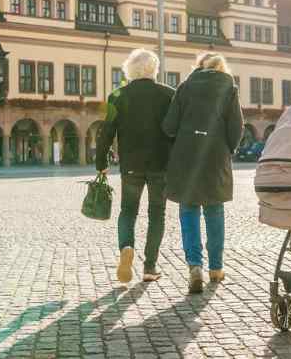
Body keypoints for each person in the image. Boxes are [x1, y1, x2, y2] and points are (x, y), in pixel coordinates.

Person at [163, 52, 243, 294]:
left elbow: (169, 125)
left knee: (188, 209)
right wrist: (226, 149)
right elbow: (237, 128)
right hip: (215, 155)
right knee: (214, 210)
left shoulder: (185, 86)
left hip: (186, 155)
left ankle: (194, 266)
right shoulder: (229, 87)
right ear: (222, 67)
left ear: (198, 67)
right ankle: (216, 268)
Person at [95, 49, 175, 284]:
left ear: (129, 69)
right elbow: (174, 131)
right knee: (156, 214)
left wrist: (101, 162)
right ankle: (150, 267)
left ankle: (126, 248)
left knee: (128, 211)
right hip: (161, 164)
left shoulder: (117, 96)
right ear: (154, 69)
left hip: (130, 164)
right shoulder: (169, 94)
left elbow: (106, 131)